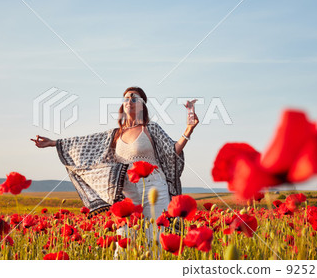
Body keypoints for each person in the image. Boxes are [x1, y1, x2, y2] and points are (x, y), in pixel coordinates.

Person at [31, 86, 198, 224]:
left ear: (142, 106)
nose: (129, 101)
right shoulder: (114, 135)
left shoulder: (150, 129)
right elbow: (84, 142)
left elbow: (172, 151)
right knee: (125, 238)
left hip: (154, 187)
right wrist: (53, 143)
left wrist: (189, 129)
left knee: (155, 235)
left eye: (134, 98)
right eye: (126, 98)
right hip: (126, 191)